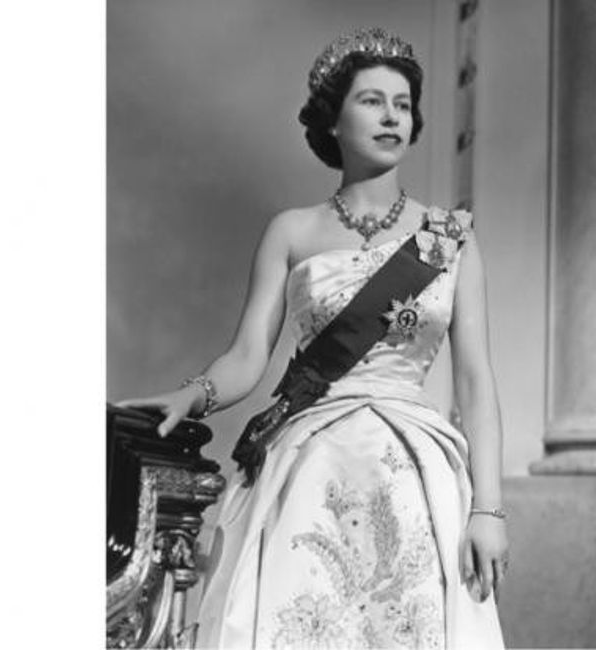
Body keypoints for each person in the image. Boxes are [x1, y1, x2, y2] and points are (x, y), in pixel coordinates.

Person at [118, 27, 508, 649]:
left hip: (414, 471)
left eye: (403, 104)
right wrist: (192, 395)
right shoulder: (292, 232)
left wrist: (488, 509)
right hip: (310, 460)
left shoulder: (450, 240)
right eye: (371, 100)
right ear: (333, 120)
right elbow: (249, 356)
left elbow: (475, 381)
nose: (391, 117)